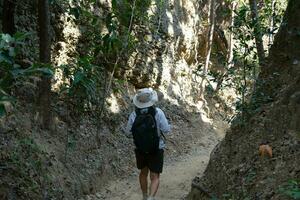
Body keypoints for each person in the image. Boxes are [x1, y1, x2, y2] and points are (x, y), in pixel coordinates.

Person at [125, 88, 171, 200]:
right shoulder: (158, 112)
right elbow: (166, 130)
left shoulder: (134, 115)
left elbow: (127, 132)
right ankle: (151, 198)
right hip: (156, 148)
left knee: (143, 173)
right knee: (155, 176)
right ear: (151, 100)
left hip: (140, 149)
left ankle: (144, 196)